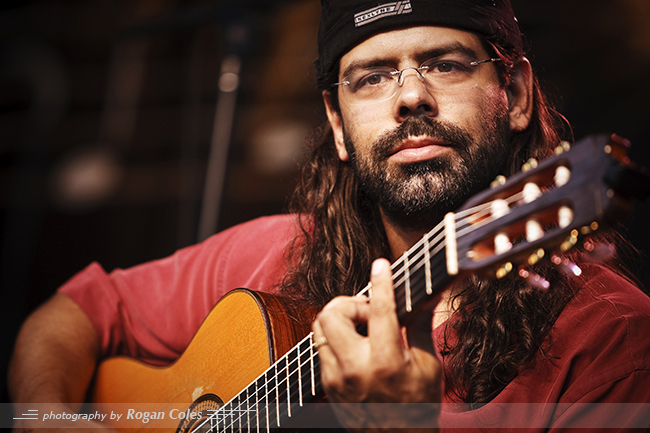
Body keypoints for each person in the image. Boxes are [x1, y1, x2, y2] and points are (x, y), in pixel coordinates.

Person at [9, 0, 650, 431]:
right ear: (338, 126)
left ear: (513, 96)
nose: (410, 98)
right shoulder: (271, 252)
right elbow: (74, 312)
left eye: (446, 64)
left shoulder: (613, 342)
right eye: (372, 77)